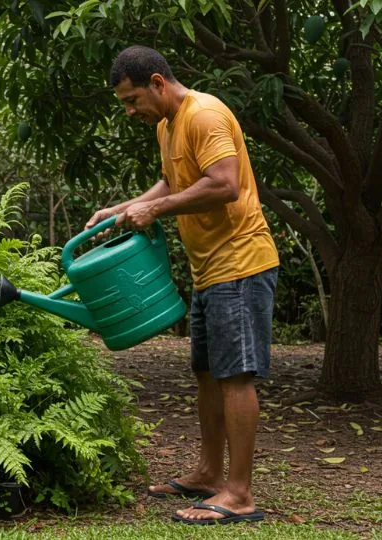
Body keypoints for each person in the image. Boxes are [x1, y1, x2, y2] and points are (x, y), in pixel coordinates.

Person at [86, 45, 279, 525]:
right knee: (209, 374)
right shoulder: (166, 126)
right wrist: (123, 208)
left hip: (240, 261)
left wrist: (152, 212)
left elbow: (225, 184)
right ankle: (210, 474)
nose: (130, 111)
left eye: (132, 100)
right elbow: (174, 184)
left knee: (235, 376)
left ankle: (239, 494)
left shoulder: (204, 115)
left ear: (156, 82)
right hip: (208, 268)